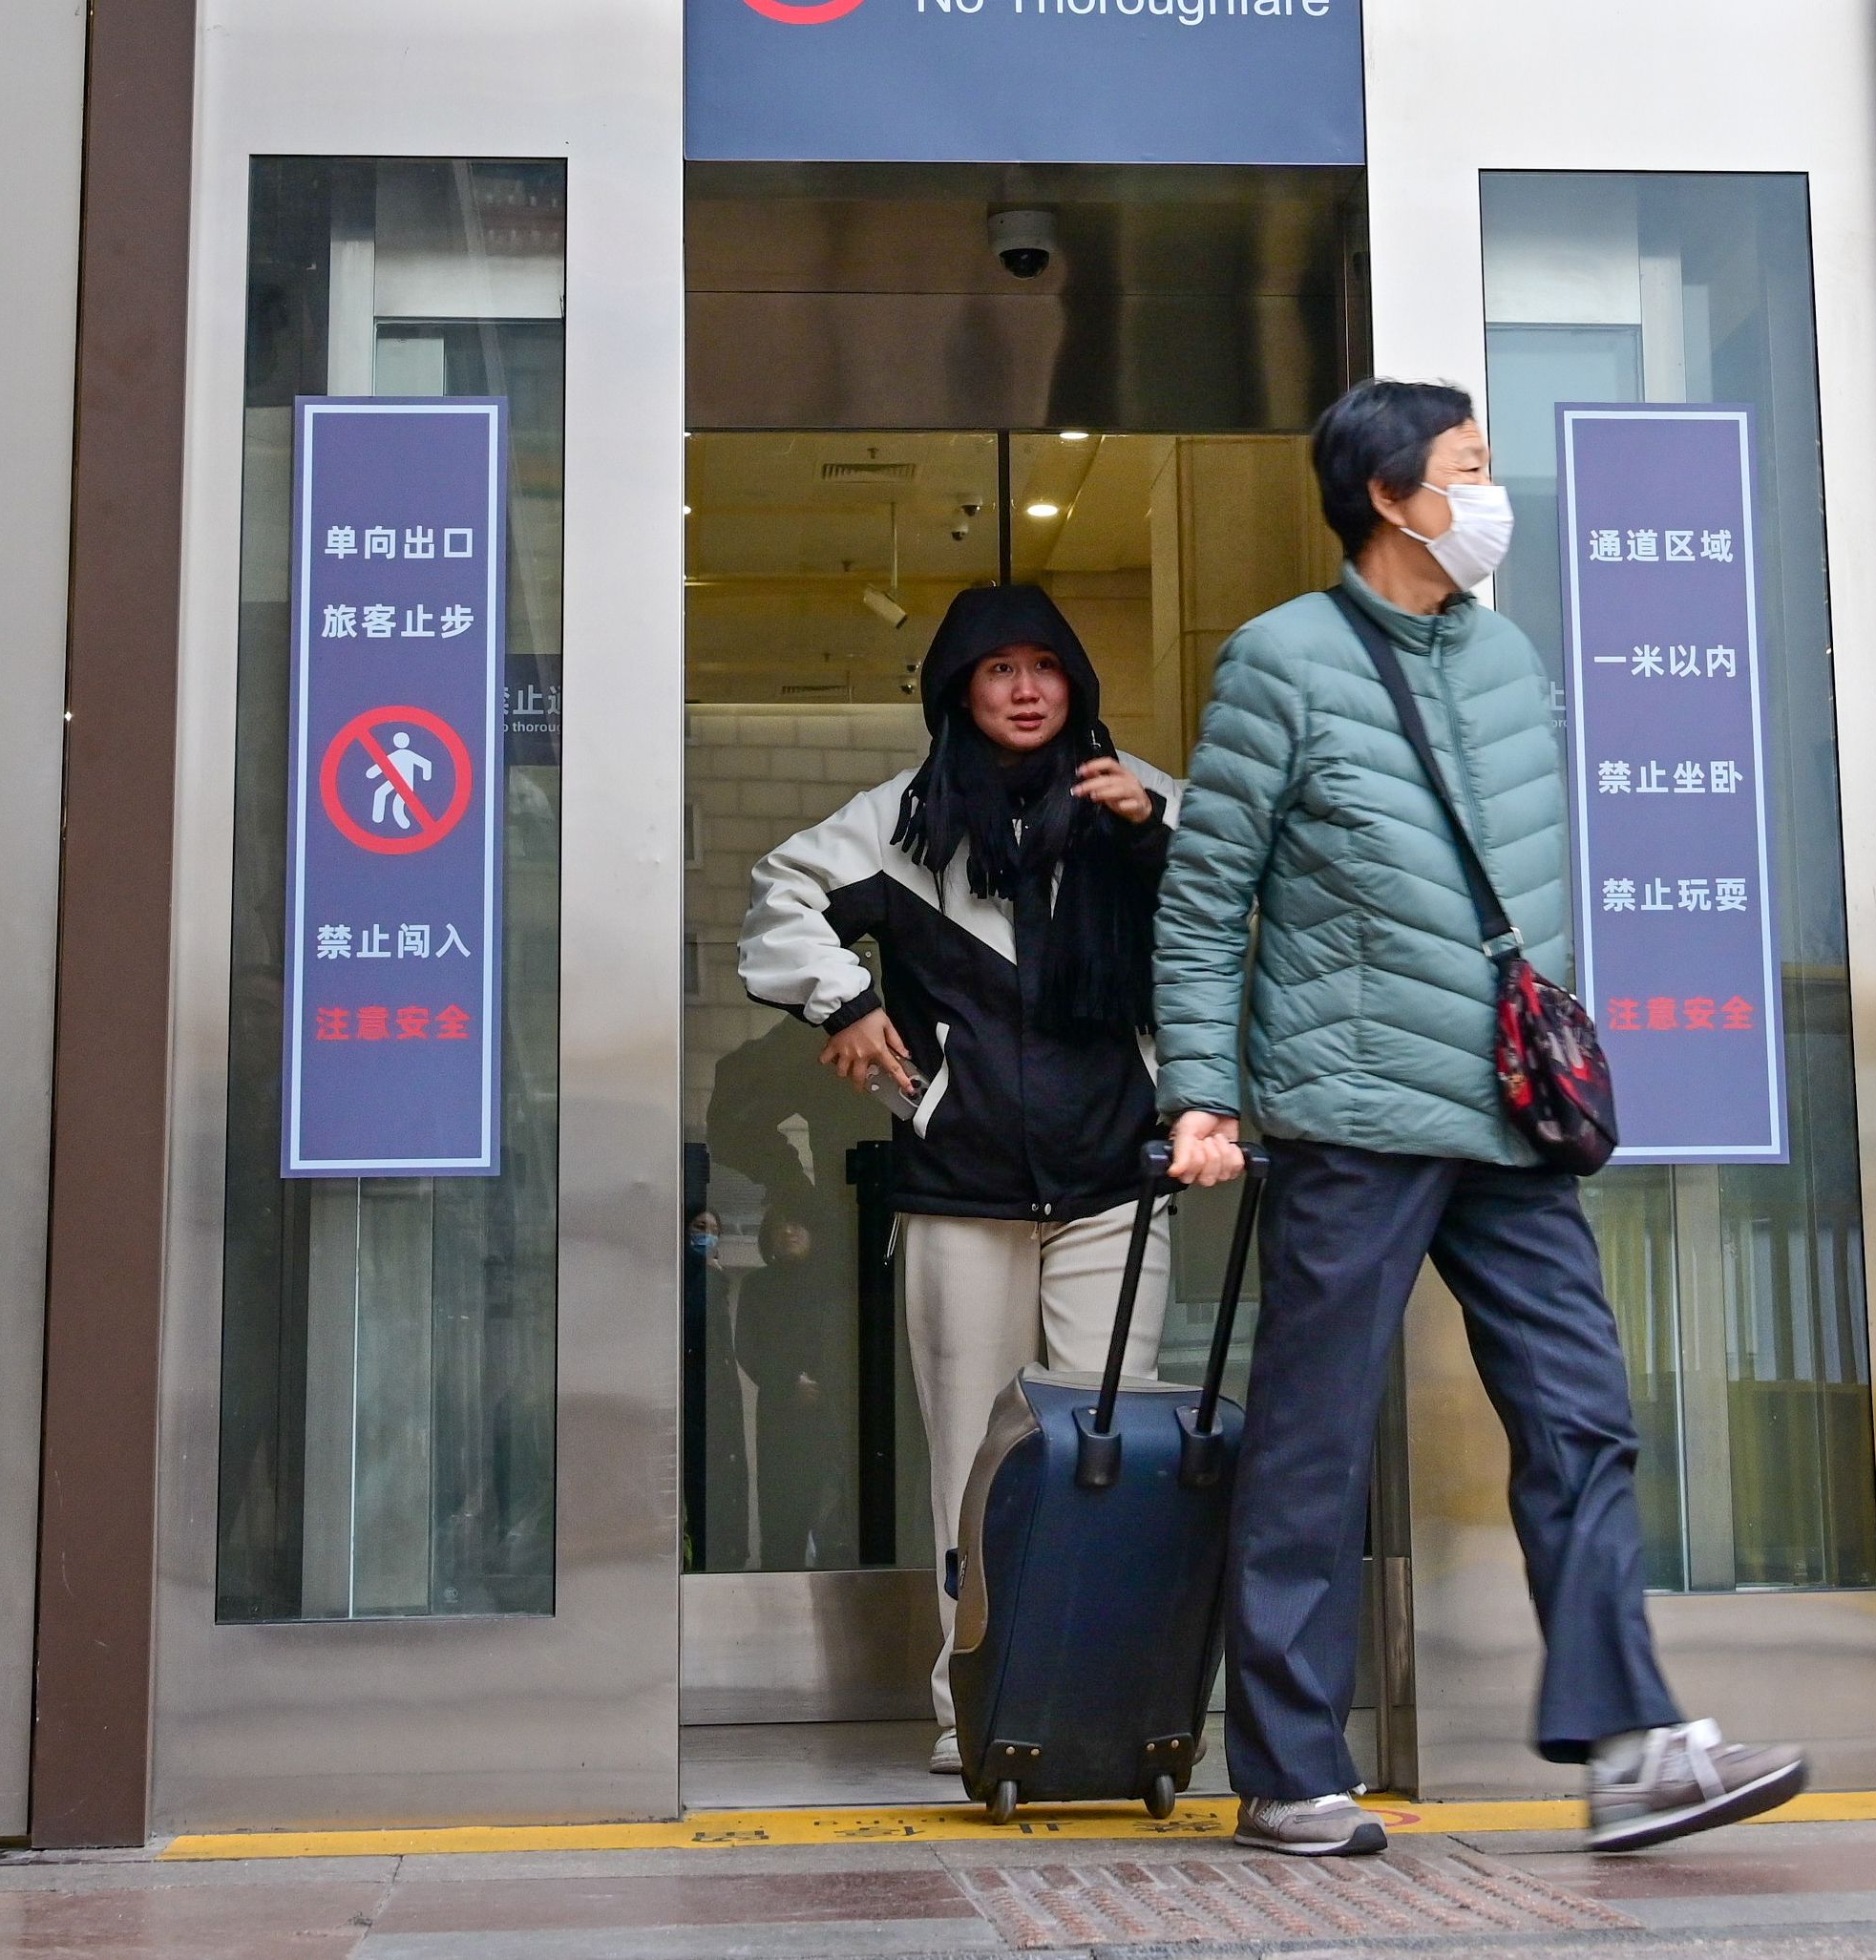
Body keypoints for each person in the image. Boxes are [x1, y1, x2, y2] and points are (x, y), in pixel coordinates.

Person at [1156, 379, 1809, 1858]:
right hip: (1354, 1112)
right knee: (1315, 1440)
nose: (1491, 491)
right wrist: (1203, 1092)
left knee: (1581, 1417)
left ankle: (1630, 1745)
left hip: (1510, 1120)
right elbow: (1203, 904)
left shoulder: (1506, 656)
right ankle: (1287, 1768)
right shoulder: (1282, 661)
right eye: (1468, 466)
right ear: (1391, 498)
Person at [739, 582, 1178, 1777]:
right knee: (973, 1465)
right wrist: (845, 1000)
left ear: (1076, 680)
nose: (1027, 689)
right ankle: (972, 1704)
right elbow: (779, 897)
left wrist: (1150, 832)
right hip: (959, 1187)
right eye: (998, 669)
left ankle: (1096, 1698)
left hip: (1115, 1185)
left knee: (1109, 1451)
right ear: (957, 689)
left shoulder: (1137, 795)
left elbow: (1242, 911)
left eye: (1046, 665)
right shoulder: (898, 820)